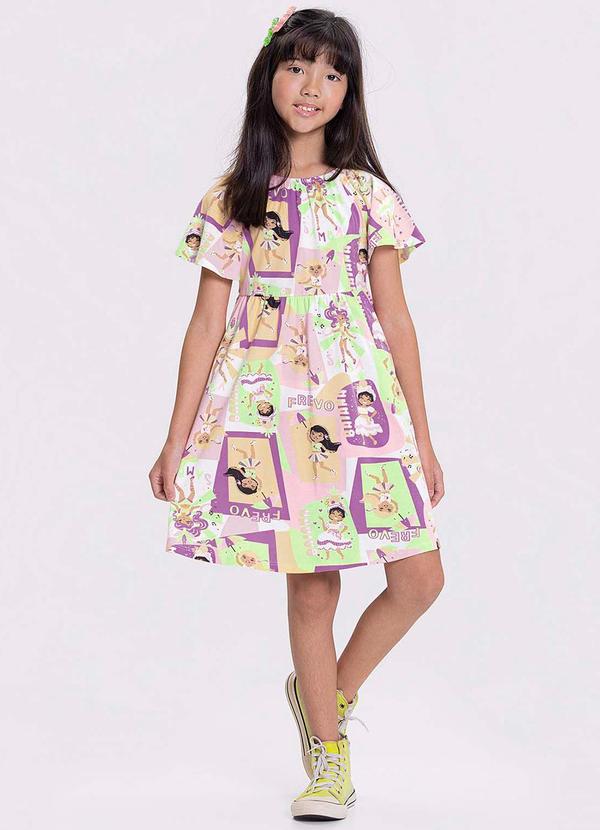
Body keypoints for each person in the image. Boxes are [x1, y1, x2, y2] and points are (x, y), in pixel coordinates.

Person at [149, 5, 445, 821]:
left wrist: (422, 439)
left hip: (361, 406)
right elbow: (206, 323)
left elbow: (396, 318)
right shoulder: (234, 197)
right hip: (270, 409)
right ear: (268, 78)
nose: (312, 86)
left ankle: (326, 696)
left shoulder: (367, 196)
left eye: (332, 72)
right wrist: (175, 441)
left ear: (349, 91)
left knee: (420, 577)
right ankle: (328, 758)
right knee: (314, 588)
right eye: (297, 66)